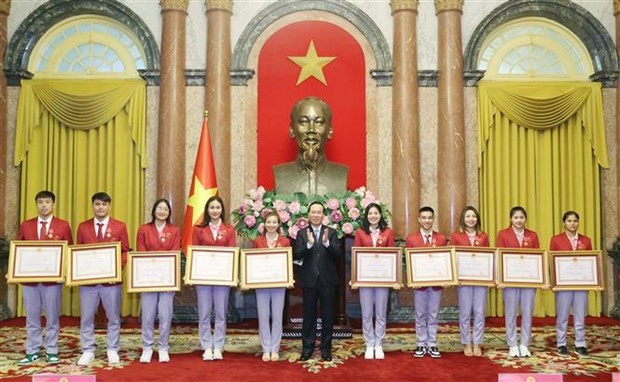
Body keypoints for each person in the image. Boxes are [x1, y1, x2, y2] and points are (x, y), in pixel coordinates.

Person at [17, 190, 73, 366]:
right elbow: (19, 250)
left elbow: (69, 251)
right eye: (40, 202)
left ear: (53, 204)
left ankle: (51, 349)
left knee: (52, 316)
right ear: (36, 205)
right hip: (30, 281)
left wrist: (64, 272)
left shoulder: (63, 226)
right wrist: (13, 270)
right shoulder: (26, 225)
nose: (44, 205)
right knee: (32, 317)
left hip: (53, 282)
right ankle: (32, 350)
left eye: (47, 202)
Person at [76, 192, 131, 366]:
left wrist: (116, 268)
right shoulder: (82, 227)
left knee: (113, 316)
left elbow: (125, 251)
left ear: (109, 206)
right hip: (88, 282)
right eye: (98, 204)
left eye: (104, 204)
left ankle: (112, 349)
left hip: (111, 282)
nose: (101, 207)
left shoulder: (120, 226)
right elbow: (78, 252)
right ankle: (87, 350)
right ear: (92, 206)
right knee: (86, 317)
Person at [294, 201, 341, 362]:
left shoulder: (332, 232)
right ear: (308, 215)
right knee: (308, 317)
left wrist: (327, 243)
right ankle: (307, 348)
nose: (316, 215)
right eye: (313, 212)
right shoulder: (301, 233)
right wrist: (308, 244)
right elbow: (297, 254)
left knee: (328, 317)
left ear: (323, 215)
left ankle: (326, 350)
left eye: (319, 212)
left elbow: (337, 255)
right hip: (309, 281)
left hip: (327, 281)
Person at [191, 195, 237, 361]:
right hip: (203, 278)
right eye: (212, 207)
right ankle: (205, 346)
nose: (215, 210)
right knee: (203, 313)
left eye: (218, 207)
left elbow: (233, 252)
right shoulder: (198, 229)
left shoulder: (229, 230)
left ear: (222, 210)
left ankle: (218, 345)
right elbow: (193, 253)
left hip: (222, 279)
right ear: (207, 210)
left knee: (221, 313)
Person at [273, 97, 349, 195]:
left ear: (330, 130)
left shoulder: (341, 174)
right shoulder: (280, 174)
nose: (311, 129)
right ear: (292, 129)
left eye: (319, 122)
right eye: (303, 122)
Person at [136, 199, 181, 363]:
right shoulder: (144, 229)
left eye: (166, 209)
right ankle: (147, 347)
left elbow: (175, 252)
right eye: (159, 208)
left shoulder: (174, 230)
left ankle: (163, 347)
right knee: (147, 316)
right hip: (148, 279)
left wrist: (170, 278)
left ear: (169, 213)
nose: (162, 211)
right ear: (154, 210)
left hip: (167, 280)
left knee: (165, 315)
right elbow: (140, 253)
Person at [496, 206, 540, 358]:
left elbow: (537, 258)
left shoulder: (533, 235)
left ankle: (525, 343)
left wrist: (537, 279)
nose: (519, 220)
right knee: (511, 312)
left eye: (521, 217)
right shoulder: (503, 234)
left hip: (528, 281)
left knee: (527, 312)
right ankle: (513, 344)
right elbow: (499, 257)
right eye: (516, 217)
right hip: (510, 281)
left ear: (525, 219)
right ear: (511, 219)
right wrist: (500, 278)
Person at [353, 203, 396, 360]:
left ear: (380, 215)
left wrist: (394, 279)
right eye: (370, 213)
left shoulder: (388, 232)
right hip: (365, 280)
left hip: (383, 279)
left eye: (376, 213)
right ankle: (369, 343)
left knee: (380, 313)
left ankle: (379, 343)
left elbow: (393, 255)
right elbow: (355, 256)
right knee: (367, 313)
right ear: (366, 216)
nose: (373, 216)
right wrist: (355, 278)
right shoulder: (360, 233)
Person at [405, 206, 447, 359]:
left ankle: (432, 343)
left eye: (430, 218)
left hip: (436, 284)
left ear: (433, 219)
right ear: (419, 219)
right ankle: (421, 343)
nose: (427, 221)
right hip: (419, 285)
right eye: (424, 218)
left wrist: (446, 278)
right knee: (420, 314)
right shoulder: (411, 239)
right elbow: (409, 262)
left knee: (434, 314)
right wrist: (411, 279)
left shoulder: (441, 238)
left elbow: (444, 261)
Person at [550, 211, 593, 358]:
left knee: (580, 315)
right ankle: (561, 343)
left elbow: (590, 263)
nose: (572, 223)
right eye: (569, 221)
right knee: (562, 315)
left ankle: (580, 343)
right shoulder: (556, 240)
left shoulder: (586, 241)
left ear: (578, 222)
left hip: (581, 284)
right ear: (564, 223)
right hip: (563, 285)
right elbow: (552, 263)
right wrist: (554, 282)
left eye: (575, 221)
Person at [449, 206, 490, 357]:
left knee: (479, 312)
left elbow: (488, 257)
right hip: (464, 280)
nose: (471, 219)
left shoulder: (483, 236)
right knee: (465, 313)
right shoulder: (456, 236)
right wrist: (454, 276)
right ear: (463, 219)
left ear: (477, 218)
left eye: (473, 216)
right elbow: (452, 257)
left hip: (480, 279)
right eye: (468, 216)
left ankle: (477, 342)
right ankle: (466, 342)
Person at [252, 212, 291, 362]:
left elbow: (288, 261)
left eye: (274, 222)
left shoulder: (285, 241)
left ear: (279, 224)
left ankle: (274, 348)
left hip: (279, 283)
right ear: (264, 224)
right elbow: (253, 263)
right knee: (263, 316)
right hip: (261, 283)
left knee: (277, 316)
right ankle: (265, 347)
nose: (271, 225)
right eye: (269, 222)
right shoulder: (257, 241)